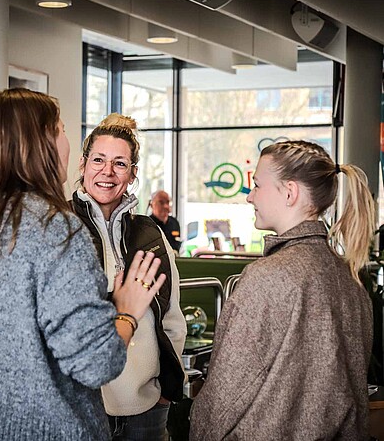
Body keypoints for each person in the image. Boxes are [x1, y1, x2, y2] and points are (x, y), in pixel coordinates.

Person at [0, 88, 165, 440]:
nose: (67, 143)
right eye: (62, 130)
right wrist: (126, 311)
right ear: (42, 144)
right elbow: (96, 364)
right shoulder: (56, 230)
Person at [190, 140, 375, 440]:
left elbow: (224, 396)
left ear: (289, 193)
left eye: (257, 185)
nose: (250, 196)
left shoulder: (267, 277)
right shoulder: (350, 279)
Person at [72, 112, 186, 440]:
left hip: (148, 410)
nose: (107, 172)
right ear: (83, 165)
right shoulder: (61, 226)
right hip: (82, 407)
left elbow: (172, 318)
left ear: (133, 173)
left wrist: (165, 393)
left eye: (120, 163)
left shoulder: (150, 233)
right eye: (98, 160)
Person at [149, 190, 182, 254]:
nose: (166, 206)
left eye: (167, 202)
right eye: (161, 203)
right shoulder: (148, 224)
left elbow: (177, 242)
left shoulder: (174, 223)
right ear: (151, 205)